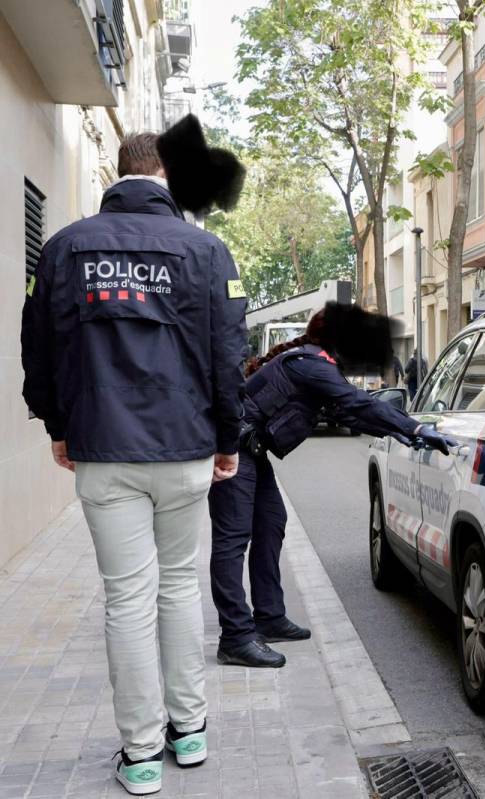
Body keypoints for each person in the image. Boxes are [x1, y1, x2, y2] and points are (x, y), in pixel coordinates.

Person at [21, 114, 248, 795]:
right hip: (184, 451)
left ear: (118, 171)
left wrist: (57, 426)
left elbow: (38, 351)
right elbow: (227, 358)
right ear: (168, 177)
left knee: (127, 596)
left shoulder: (64, 249)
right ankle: (192, 729)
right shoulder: (206, 253)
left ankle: (142, 753)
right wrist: (227, 439)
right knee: (178, 586)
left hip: (103, 449)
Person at [208, 302, 454, 668]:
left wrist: (402, 433)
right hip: (233, 451)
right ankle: (235, 637)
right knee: (233, 541)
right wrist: (413, 427)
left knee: (271, 524)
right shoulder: (311, 364)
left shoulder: (315, 364)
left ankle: (269, 617)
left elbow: (348, 412)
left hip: (252, 454)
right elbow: (355, 401)